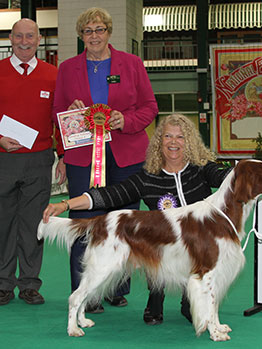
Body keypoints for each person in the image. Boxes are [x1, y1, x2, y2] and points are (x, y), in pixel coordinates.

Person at [43, 113, 232, 325]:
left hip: (196, 248)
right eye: (168, 136)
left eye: (180, 137)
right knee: (154, 242)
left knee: (193, 306)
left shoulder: (202, 169)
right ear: (159, 141)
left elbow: (229, 177)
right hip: (160, 249)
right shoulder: (148, 176)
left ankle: (190, 302)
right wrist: (65, 204)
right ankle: (155, 297)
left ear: (189, 142)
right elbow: (109, 195)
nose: (173, 142)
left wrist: (258, 176)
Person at [52, 7, 158, 313]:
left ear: (109, 32)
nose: (94, 36)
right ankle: (86, 293)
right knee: (83, 224)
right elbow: (57, 112)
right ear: (81, 35)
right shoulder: (67, 68)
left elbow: (150, 107)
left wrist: (124, 120)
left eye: (99, 30)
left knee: (123, 225)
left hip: (127, 157)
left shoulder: (132, 64)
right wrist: (70, 119)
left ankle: (116, 289)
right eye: (88, 31)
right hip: (83, 157)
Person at [0, 18, 65, 306]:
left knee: (33, 224)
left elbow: (60, 120)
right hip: (4, 159)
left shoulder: (54, 75)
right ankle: (3, 284)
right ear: (10, 39)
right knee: (3, 224)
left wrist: (63, 156)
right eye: (18, 36)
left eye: (30, 36)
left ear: (39, 40)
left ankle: (29, 283)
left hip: (39, 160)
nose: (24, 42)